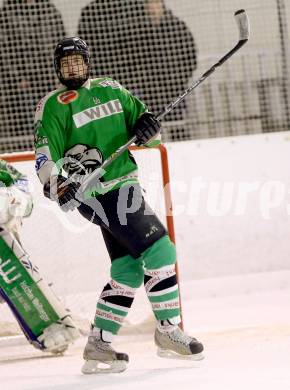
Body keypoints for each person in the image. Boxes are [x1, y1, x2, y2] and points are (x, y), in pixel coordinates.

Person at [34, 37, 204, 374]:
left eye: (77, 61)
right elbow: (44, 156)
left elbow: (148, 129)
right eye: (65, 63)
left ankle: (100, 343)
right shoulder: (52, 105)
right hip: (96, 193)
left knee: (127, 268)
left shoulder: (112, 88)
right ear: (57, 68)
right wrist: (57, 184)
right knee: (160, 251)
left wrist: (149, 127)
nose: (72, 68)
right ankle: (168, 330)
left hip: (125, 184)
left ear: (87, 62)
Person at [77, 0, 197, 141]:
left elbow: (191, 58)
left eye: (156, 3)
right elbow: (136, 59)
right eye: (149, 3)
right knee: (148, 128)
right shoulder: (139, 29)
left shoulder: (177, 27)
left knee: (178, 127)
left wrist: (177, 79)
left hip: (173, 88)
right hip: (149, 89)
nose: (153, 7)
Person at [0, 158, 80, 353]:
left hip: (7, 246)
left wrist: (10, 200)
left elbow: (24, 191)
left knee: (19, 283)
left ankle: (50, 319)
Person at [0, 0, 66, 153]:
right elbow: (4, 48)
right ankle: (30, 153)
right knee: (27, 122)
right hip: (21, 82)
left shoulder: (49, 9)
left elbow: (60, 43)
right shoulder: (8, 12)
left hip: (48, 78)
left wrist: (57, 75)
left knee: (51, 117)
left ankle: (54, 151)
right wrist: (17, 77)